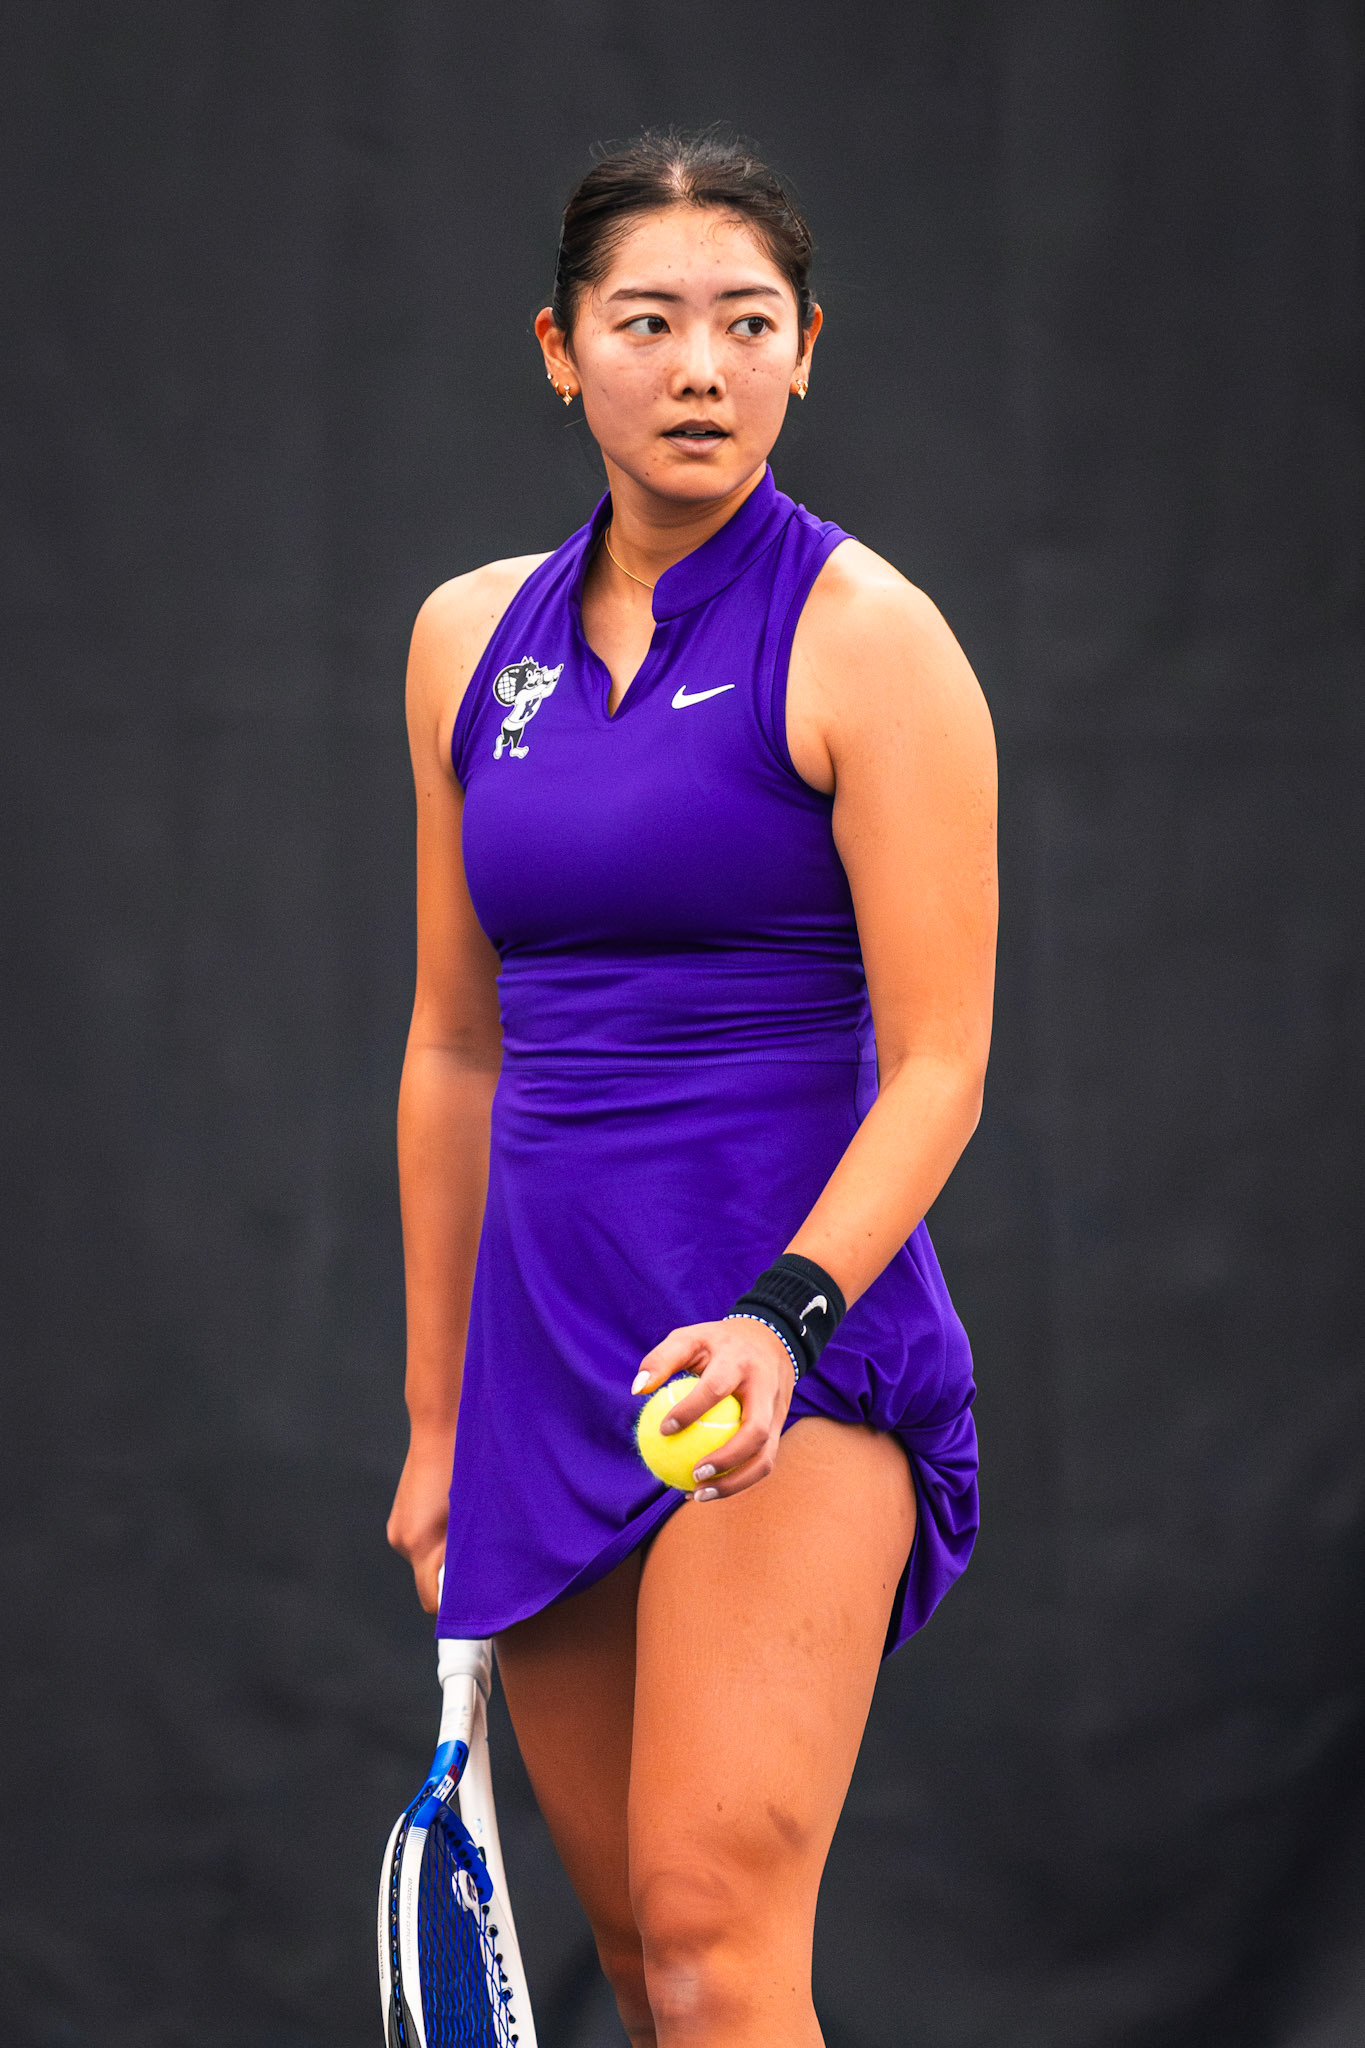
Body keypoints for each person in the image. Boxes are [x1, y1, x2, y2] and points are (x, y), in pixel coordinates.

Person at [386, 129, 997, 2048]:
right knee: (651, 1980)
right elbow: (453, 1046)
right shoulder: (463, 644)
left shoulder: (869, 641)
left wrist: (774, 1317)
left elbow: (942, 1066)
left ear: (806, 349)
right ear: (561, 352)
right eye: (646, 323)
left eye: (745, 323)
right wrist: (431, 1425)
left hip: (790, 1354)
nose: (701, 367)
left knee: (717, 1945)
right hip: (545, 1368)